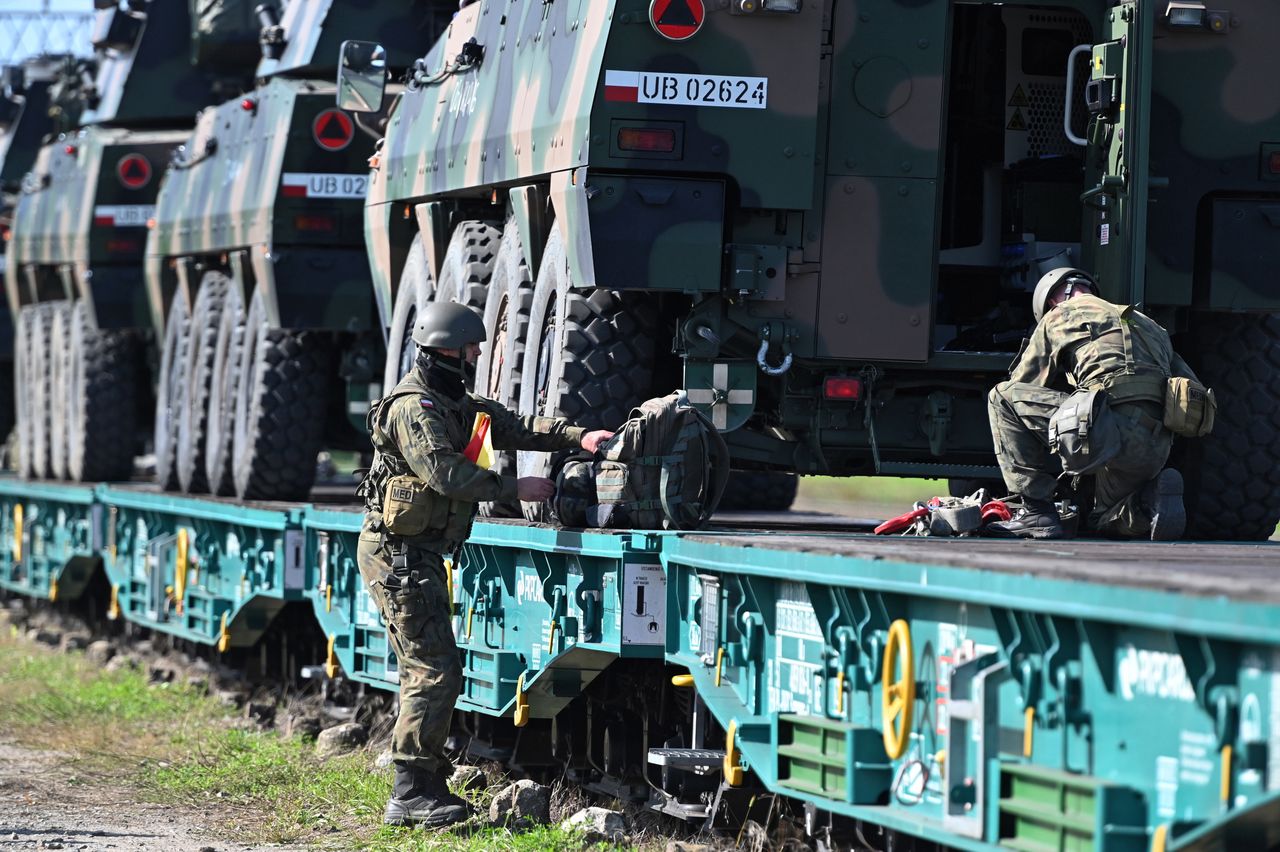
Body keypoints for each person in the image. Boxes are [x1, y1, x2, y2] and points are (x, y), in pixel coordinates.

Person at [356, 301, 613, 827]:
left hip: (420, 553)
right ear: (447, 348)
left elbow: (515, 427)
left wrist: (577, 437)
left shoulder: (456, 404)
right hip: (399, 556)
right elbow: (445, 475)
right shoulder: (416, 409)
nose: (476, 355)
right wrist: (513, 488)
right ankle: (410, 792)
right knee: (433, 671)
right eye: (471, 346)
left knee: (432, 669)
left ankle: (424, 781)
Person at [986, 267, 1198, 540]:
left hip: (1102, 429)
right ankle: (1148, 502)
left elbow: (1024, 384)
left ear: (1050, 301)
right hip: (1155, 443)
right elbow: (1192, 390)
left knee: (1002, 397)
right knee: (1103, 518)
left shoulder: (1059, 315)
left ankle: (1036, 511)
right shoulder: (1149, 324)